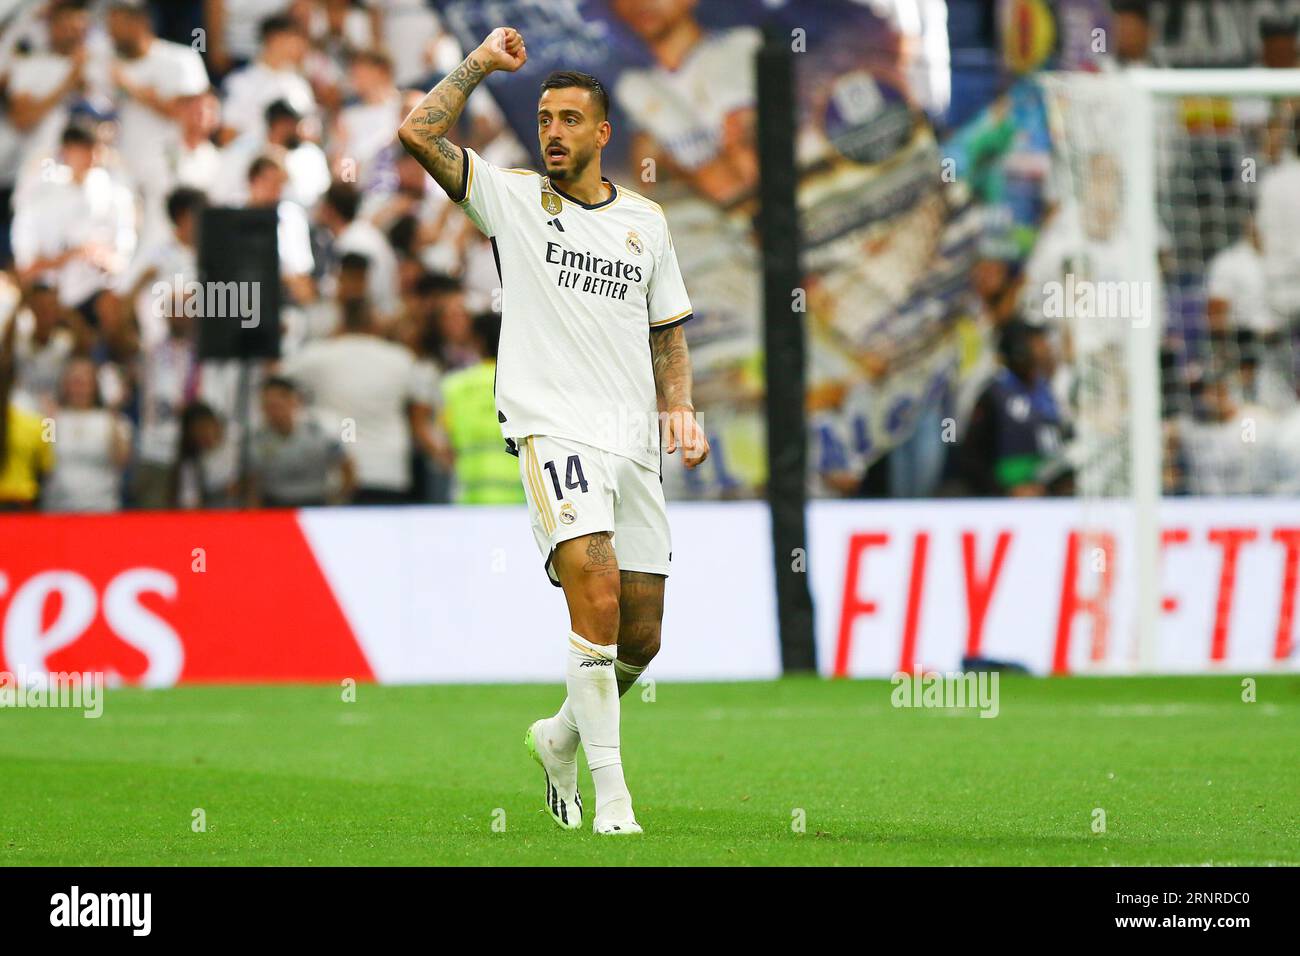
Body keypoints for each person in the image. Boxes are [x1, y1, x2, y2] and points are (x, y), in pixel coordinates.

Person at [399, 27, 709, 835]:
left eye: (571, 119)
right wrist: (476, 65)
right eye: (544, 119)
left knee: (643, 633)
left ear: (603, 133)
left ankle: (560, 737)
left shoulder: (647, 222)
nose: (554, 133)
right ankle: (614, 800)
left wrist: (678, 405)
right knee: (595, 588)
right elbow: (417, 133)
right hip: (552, 431)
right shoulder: (511, 198)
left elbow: (668, 332)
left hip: (631, 440)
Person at [440, 312, 524, 505]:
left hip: (470, 499)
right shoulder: (524, 386)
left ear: (476, 342)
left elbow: (444, 446)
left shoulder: (454, 386)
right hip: (520, 501)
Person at [247, 375, 355, 507]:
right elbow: (253, 483)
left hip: (315, 502)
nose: (273, 412)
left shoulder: (320, 433)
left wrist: (339, 500)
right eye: (267, 406)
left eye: (277, 405)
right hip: (274, 504)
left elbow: (347, 466)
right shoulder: (256, 440)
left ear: (294, 402)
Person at [43, 356, 131, 512]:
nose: (79, 388)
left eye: (85, 383)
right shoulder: (52, 419)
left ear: (95, 387)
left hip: (101, 508)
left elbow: (121, 460)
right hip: (58, 509)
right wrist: (48, 421)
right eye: (74, 382)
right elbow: (45, 461)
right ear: (65, 386)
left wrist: (114, 412)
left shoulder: (111, 419)